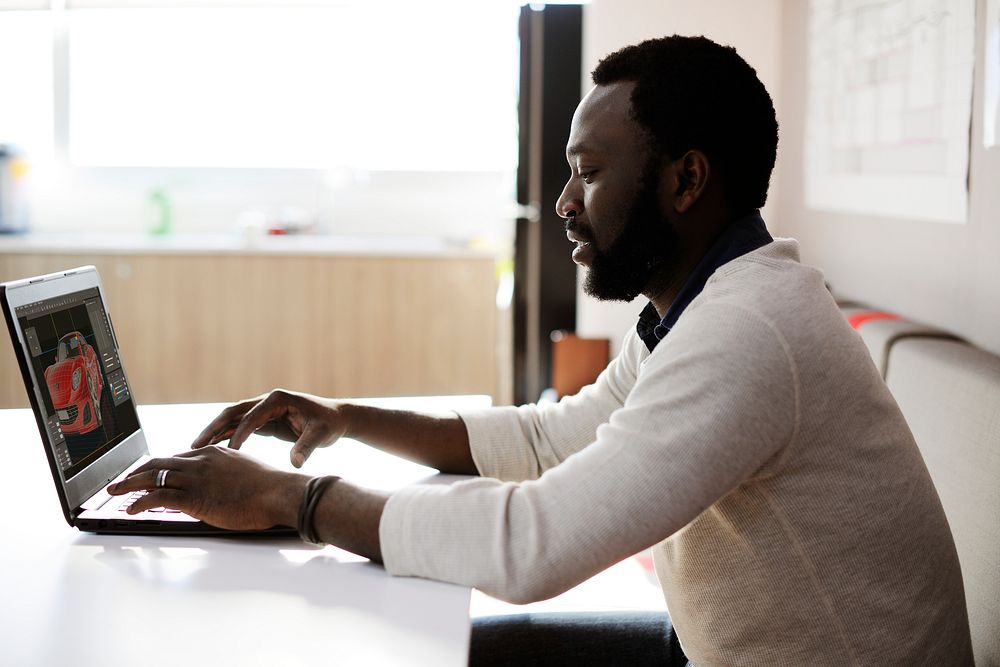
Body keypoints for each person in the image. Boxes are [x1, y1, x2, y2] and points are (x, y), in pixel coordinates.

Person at [108, 36, 974, 665]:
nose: (563, 203)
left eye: (588, 172)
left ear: (685, 179)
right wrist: (345, 420)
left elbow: (534, 545)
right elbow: (550, 438)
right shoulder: (707, 304)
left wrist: (288, 497)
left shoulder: (748, 333)